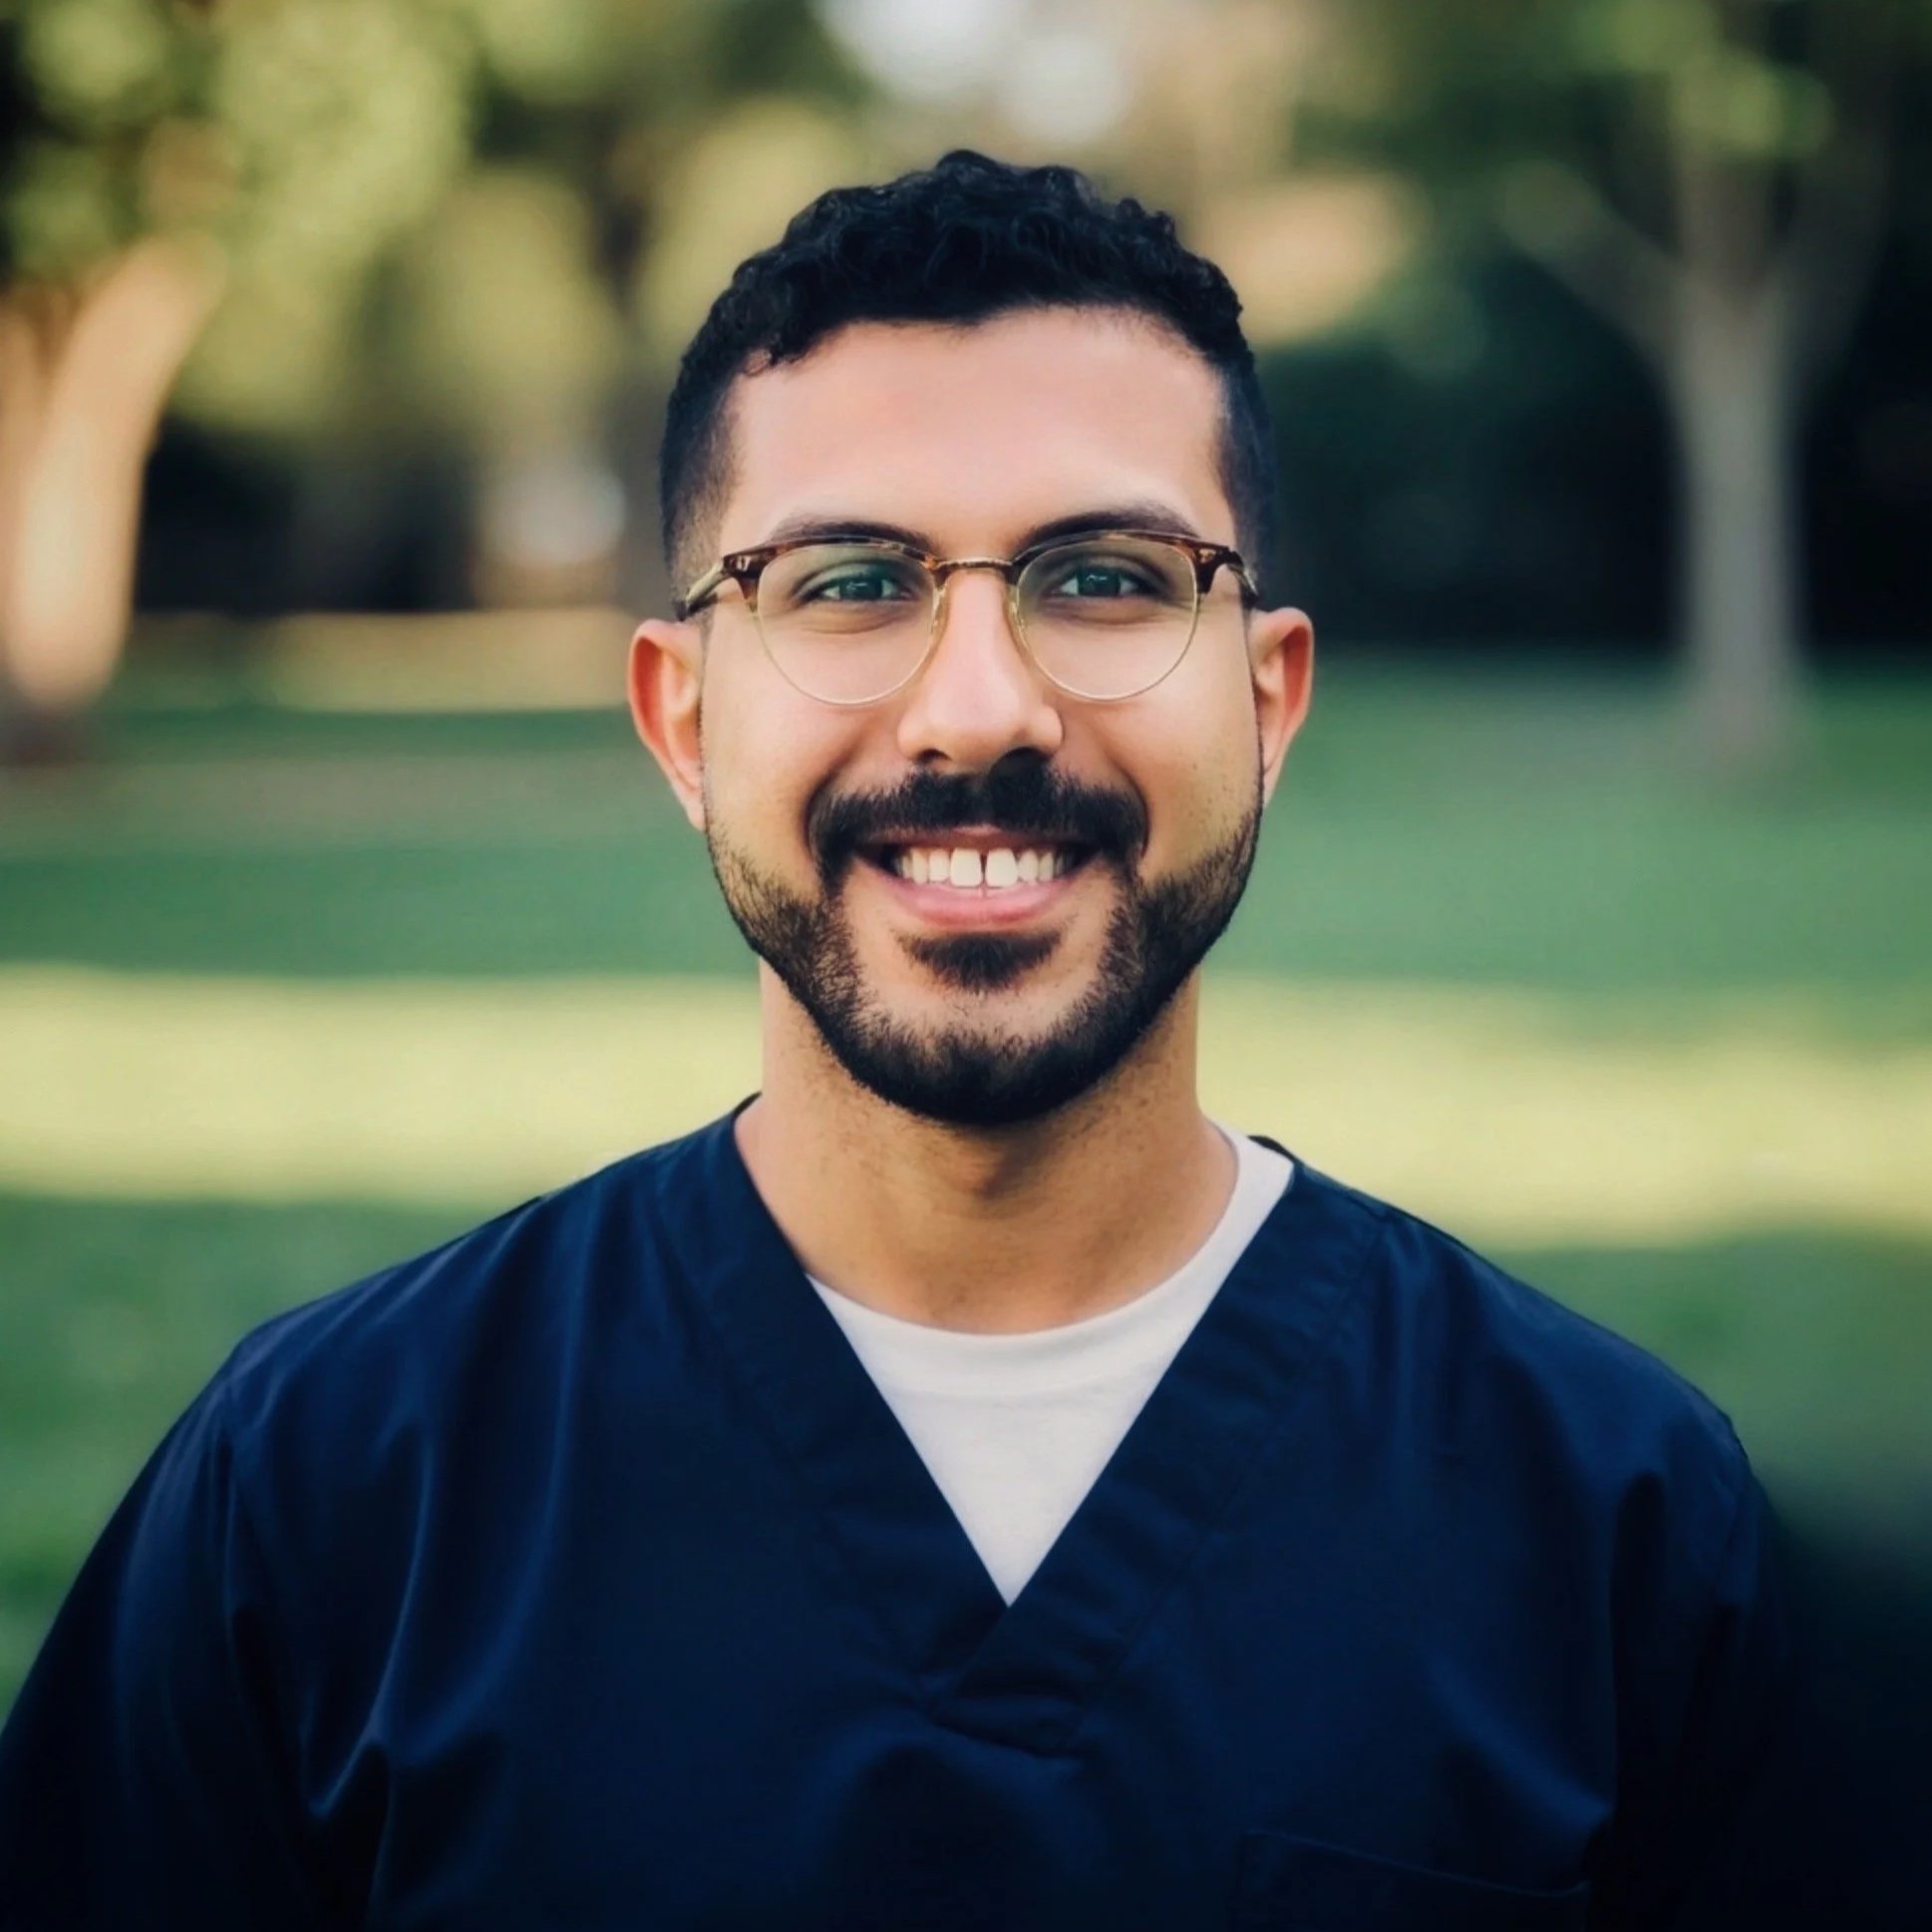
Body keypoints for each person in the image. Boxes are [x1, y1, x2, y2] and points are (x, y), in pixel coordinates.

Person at [0, 152, 1805, 1930]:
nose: (977, 709)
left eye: (1104, 576)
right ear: (681, 717)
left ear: (1265, 701)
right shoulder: (324, 1490)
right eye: (851, 582)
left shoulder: (1615, 1521)